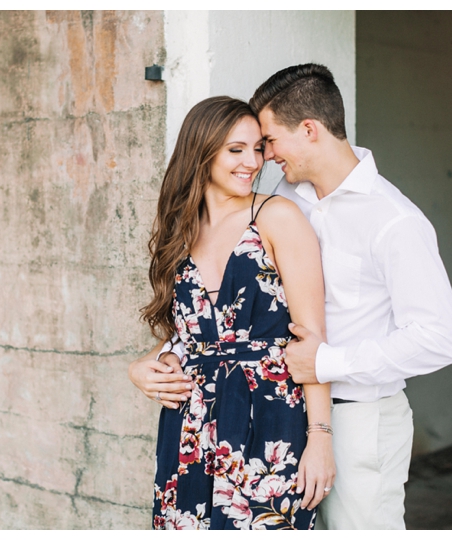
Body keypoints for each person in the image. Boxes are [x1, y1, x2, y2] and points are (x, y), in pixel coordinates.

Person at [130, 64, 452, 530]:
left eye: (267, 142)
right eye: (246, 147)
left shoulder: (393, 220)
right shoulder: (288, 193)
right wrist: (155, 359)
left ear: (309, 130)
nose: (262, 158)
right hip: (268, 411)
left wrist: (325, 366)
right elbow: (232, 315)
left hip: (356, 415)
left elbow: (439, 339)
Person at [137, 95, 334, 530]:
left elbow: (312, 337)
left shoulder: (276, 217)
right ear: (202, 151)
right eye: (236, 149)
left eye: (258, 148)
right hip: (189, 423)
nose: (253, 161)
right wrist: (146, 366)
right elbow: (187, 334)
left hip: (269, 419)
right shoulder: (179, 230)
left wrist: (319, 437)